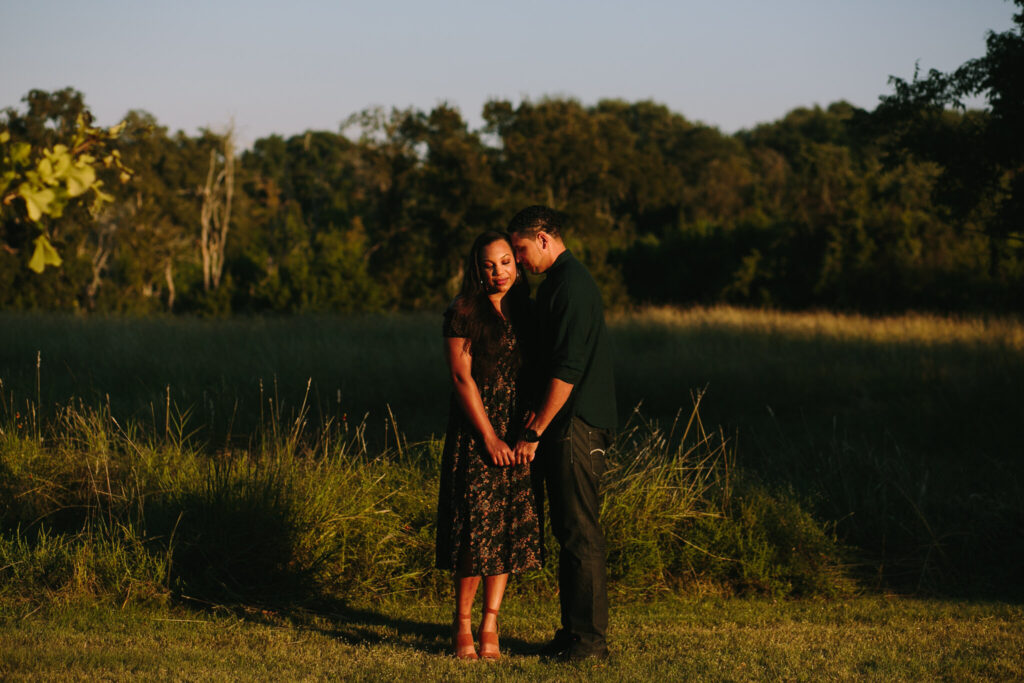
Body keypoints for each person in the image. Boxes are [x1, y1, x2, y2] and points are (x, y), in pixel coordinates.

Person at [508, 206, 617, 662]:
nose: (517, 260)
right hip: (566, 424)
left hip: (574, 424)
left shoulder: (571, 285)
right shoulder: (557, 284)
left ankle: (590, 642)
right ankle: (574, 632)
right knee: (568, 531)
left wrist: (534, 430)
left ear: (545, 238)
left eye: (521, 249)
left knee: (579, 533)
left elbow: (567, 371)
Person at [436, 230, 543, 661]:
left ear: (516, 265)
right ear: (477, 270)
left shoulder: (528, 312)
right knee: (473, 531)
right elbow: (462, 379)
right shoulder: (462, 312)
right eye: (488, 265)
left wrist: (528, 431)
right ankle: (462, 625)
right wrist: (489, 437)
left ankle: (490, 624)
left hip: (518, 436)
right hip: (478, 434)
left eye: (505, 262)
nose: (498, 271)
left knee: (507, 531)